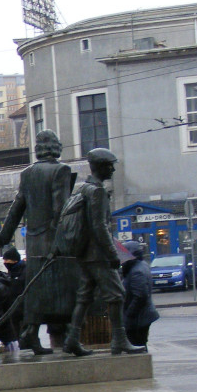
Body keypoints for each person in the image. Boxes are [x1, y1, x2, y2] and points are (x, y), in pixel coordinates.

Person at [0, 129, 79, 355]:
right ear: (56, 147)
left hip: (33, 242)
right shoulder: (61, 170)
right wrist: (65, 237)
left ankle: (31, 332)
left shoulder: (28, 173)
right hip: (54, 241)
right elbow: (61, 209)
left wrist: (4, 234)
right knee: (65, 288)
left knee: (36, 289)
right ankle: (72, 334)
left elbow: (17, 206)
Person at [62, 148, 146, 356]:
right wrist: (112, 255)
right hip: (97, 254)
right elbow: (100, 226)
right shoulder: (97, 191)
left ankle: (72, 339)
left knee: (84, 297)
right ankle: (119, 340)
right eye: (110, 165)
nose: (113, 169)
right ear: (100, 167)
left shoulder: (83, 188)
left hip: (85, 254)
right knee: (117, 295)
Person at [121, 241, 159, 350]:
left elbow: (140, 296)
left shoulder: (136, 271)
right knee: (140, 344)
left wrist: (129, 314)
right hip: (142, 316)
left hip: (139, 319)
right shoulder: (140, 265)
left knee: (137, 345)